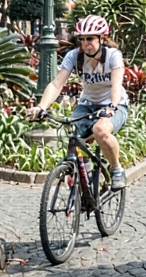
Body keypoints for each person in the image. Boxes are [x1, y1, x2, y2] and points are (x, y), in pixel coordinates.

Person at [27, 15, 130, 190]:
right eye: (82, 39)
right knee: (74, 136)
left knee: (100, 130)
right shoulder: (74, 56)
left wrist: (112, 107)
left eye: (90, 39)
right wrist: (41, 106)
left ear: (102, 38)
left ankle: (117, 169)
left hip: (115, 104)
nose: (85, 44)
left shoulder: (113, 56)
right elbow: (56, 84)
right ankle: (84, 171)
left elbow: (116, 85)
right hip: (87, 103)